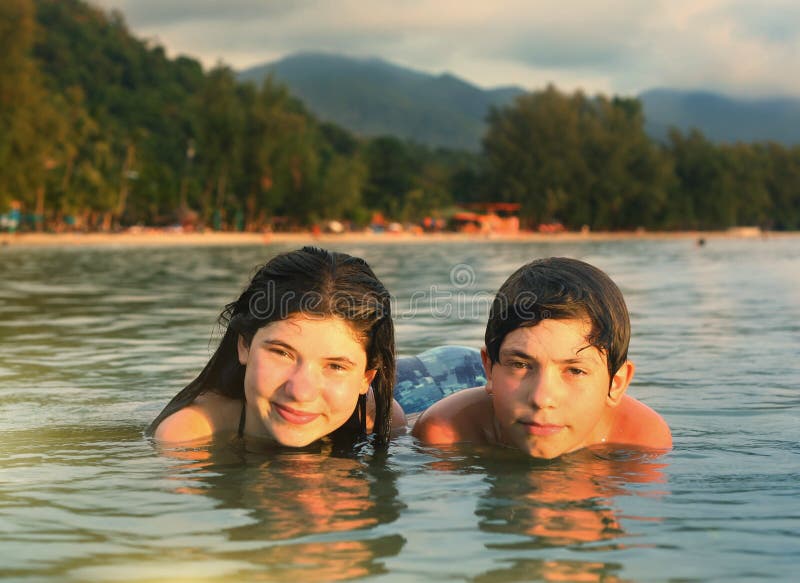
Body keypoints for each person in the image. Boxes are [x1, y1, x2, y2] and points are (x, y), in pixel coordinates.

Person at [413, 257, 672, 459]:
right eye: (521, 364)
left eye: (575, 371)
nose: (541, 398)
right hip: (444, 371)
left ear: (616, 384)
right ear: (489, 370)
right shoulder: (448, 433)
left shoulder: (641, 440)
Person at [148, 246, 402, 447]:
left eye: (335, 366)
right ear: (244, 346)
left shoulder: (378, 416)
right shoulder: (185, 435)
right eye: (282, 353)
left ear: (367, 378)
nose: (300, 392)